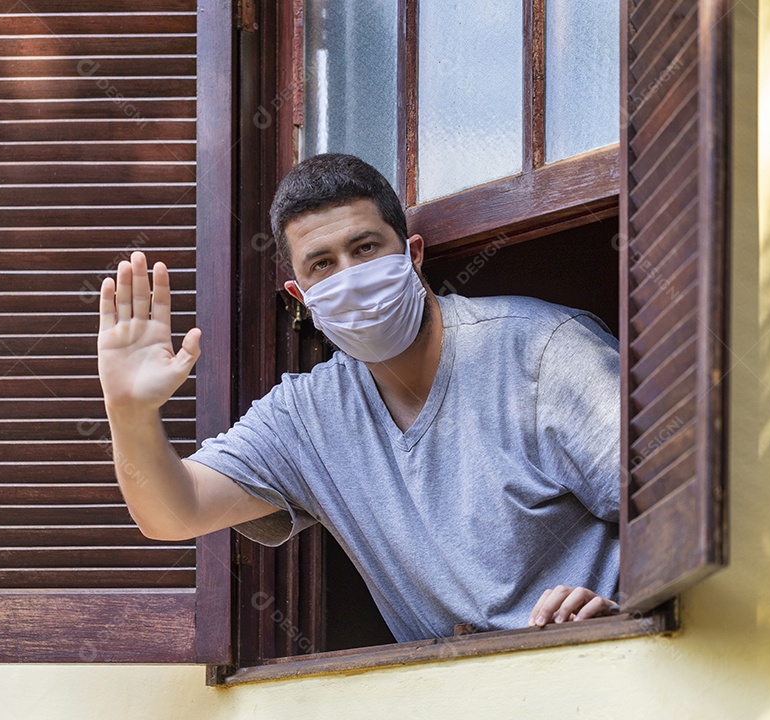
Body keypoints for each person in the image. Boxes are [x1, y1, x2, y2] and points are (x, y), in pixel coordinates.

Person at [97, 153, 621, 643]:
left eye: (366, 248)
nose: (350, 276)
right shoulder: (306, 417)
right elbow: (172, 513)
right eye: (322, 263)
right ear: (300, 296)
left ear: (413, 255)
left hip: (610, 665)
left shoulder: (543, 350)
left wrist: (629, 608)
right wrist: (130, 411)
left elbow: (677, 494)